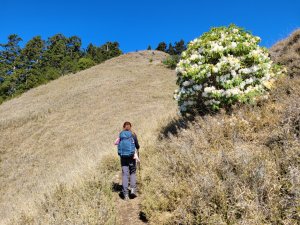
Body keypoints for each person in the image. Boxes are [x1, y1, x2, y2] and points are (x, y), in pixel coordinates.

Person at [115, 121, 140, 200]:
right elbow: (137, 145)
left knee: (125, 174)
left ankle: (125, 194)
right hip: (131, 156)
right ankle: (133, 190)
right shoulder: (133, 134)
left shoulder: (121, 135)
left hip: (123, 157)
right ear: (130, 127)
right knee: (132, 172)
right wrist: (137, 148)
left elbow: (116, 143)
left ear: (123, 127)